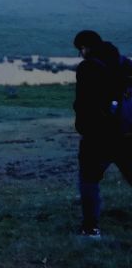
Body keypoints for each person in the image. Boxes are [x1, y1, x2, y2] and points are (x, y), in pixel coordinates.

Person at [73, 29, 132, 238]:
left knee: (89, 179)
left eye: (80, 49)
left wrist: (82, 127)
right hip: (127, 134)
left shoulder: (88, 68)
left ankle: (91, 228)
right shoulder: (125, 63)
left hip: (97, 137)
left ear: (84, 47)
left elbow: (83, 104)